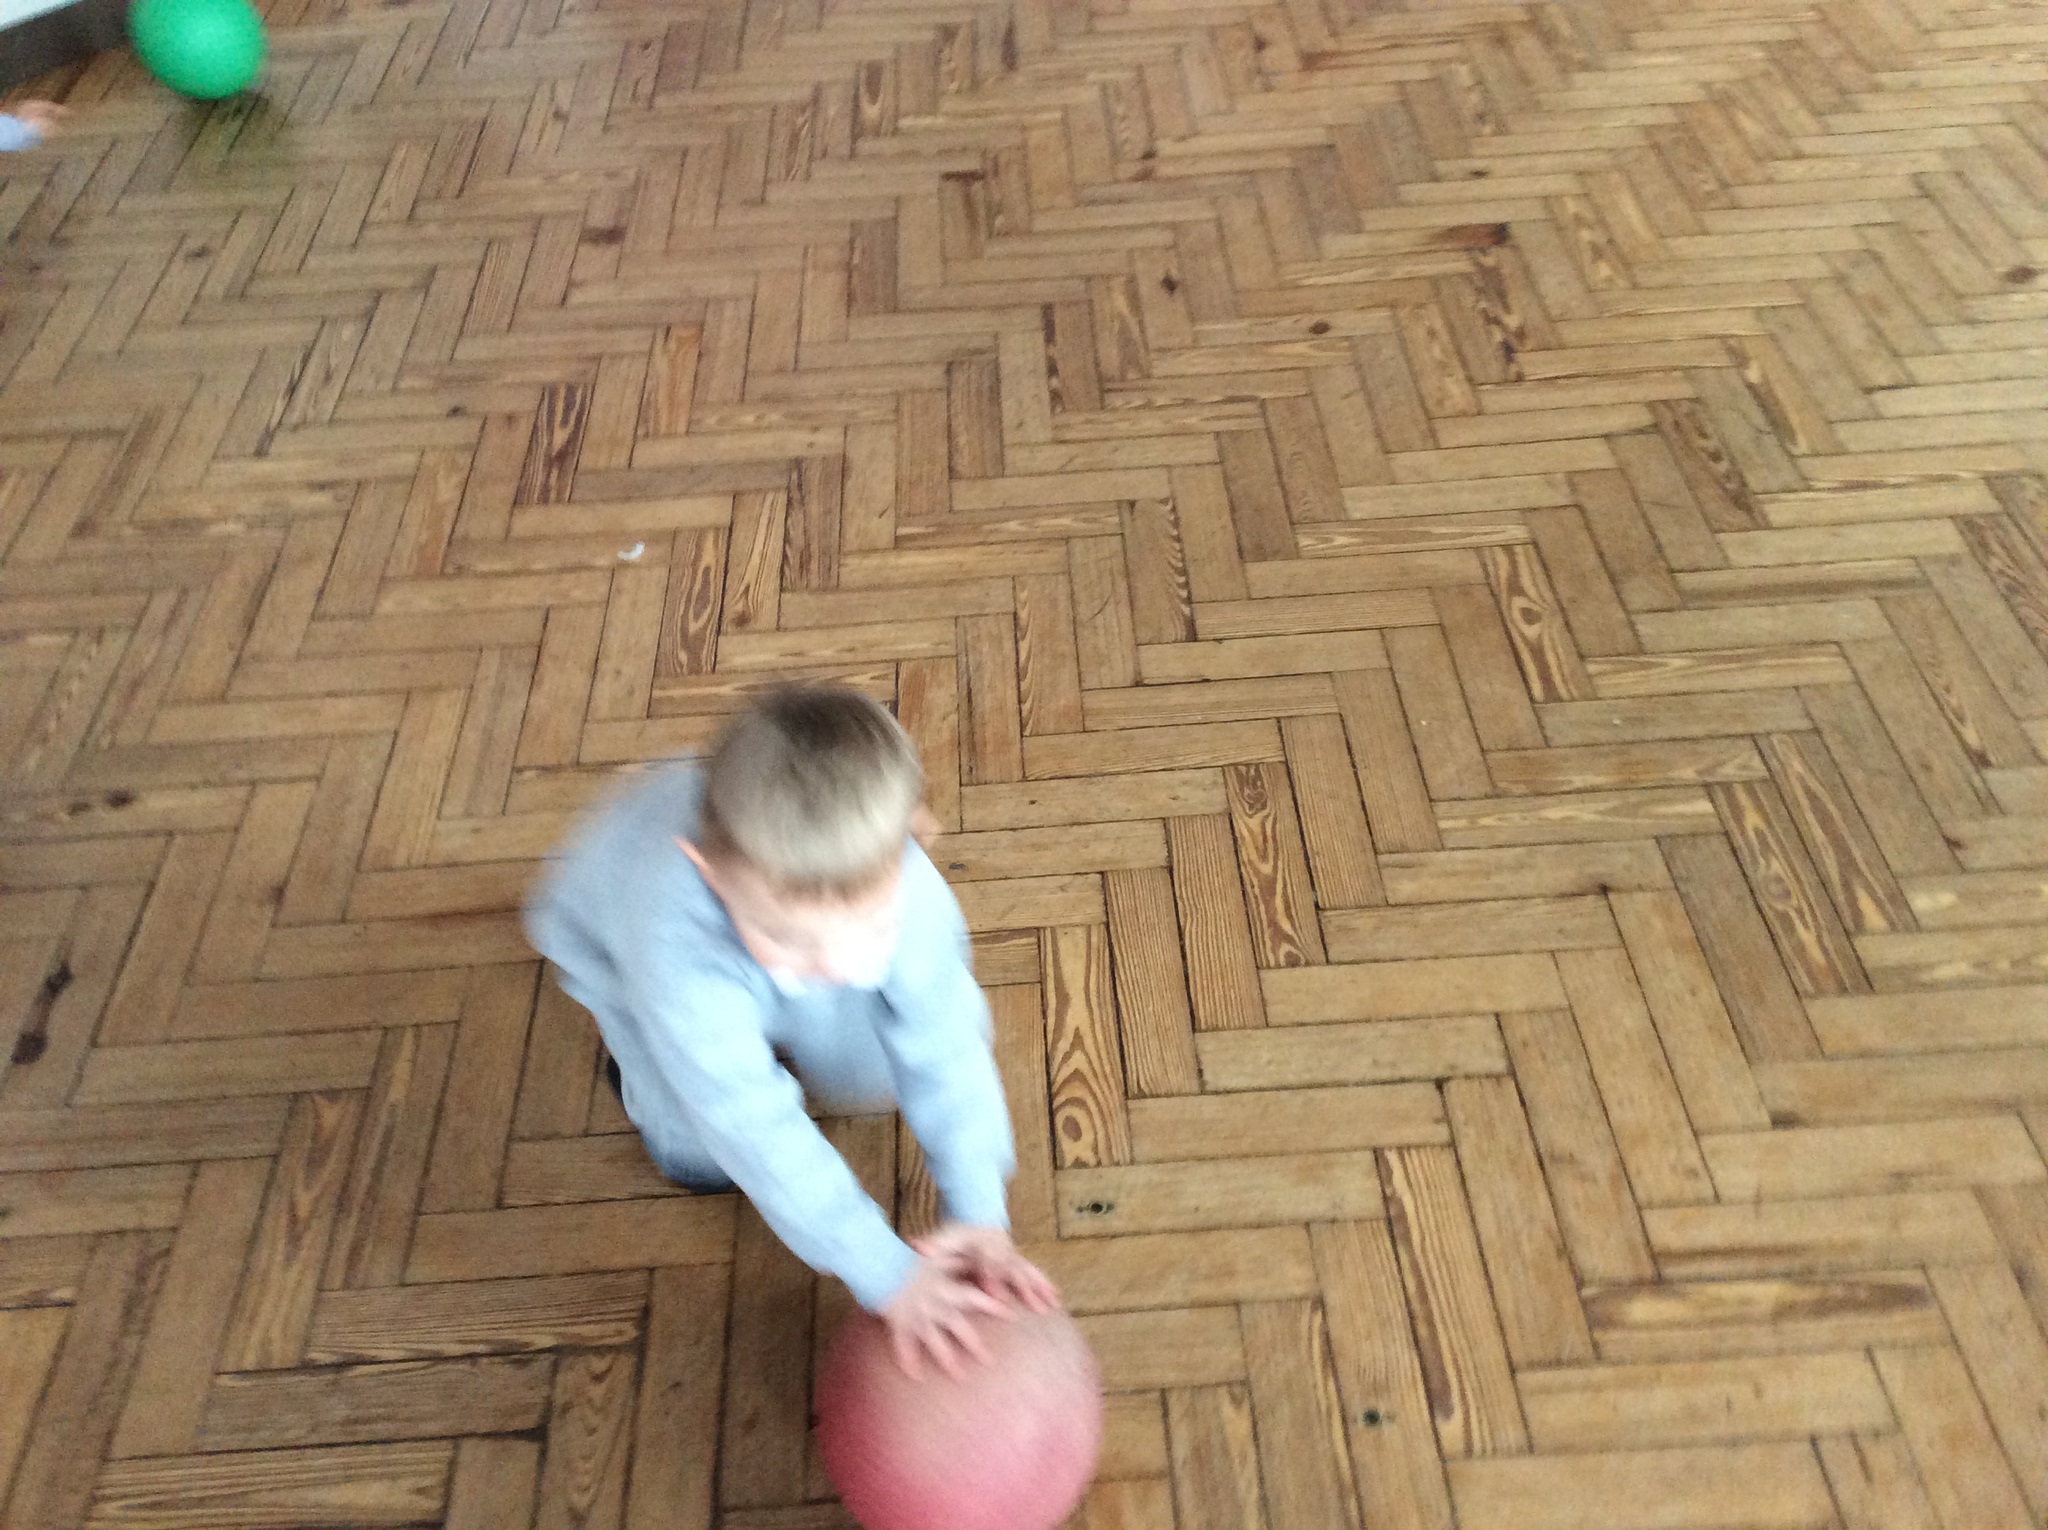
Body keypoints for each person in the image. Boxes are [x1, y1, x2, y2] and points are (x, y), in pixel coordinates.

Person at [525, 682, 1058, 1377]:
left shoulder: (904, 888)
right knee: (695, 1149)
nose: (835, 966)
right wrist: (884, 1272)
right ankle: (640, 1068)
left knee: (872, 1070)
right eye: (789, 937)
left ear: (909, 840)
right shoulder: (671, 943)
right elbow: (751, 1127)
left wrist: (979, 1208)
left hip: (750, 926)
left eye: (870, 926)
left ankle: (780, 985)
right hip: (620, 952)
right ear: (711, 874)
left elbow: (949, 1045)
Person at [0, 102, 65, 150]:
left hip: (15, 129)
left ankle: (58, 111)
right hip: (16, 133)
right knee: (30, 110)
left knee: (28, 108)